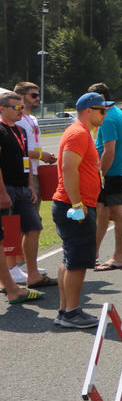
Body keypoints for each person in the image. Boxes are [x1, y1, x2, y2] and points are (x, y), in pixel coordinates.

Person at [50, 92, 111, 328]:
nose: (104, 114)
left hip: (75, 204)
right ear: (88, 111)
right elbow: (68, 168)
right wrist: (77, 204)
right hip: (74, 205)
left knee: (70, 258)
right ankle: (72, 312)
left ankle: (66, 310)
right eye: (101, 110)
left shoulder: (82, 132)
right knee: (77, 262)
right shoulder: (78, 133)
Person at [0, 89, 47, 305]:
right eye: (15, 107)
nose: (20, 110)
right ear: (2, 109)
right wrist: (2, 192)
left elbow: (26, 159)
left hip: (23, 187)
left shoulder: (20, 130)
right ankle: (9, 273)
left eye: (21, 107)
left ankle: (32, 273)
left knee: (33, 226)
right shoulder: (0, 130)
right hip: (7, 188)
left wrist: (31, 185)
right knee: (9, 233)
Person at [11, 82, 55, 287]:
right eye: (33, 95)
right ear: (20, 96)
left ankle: (25, 265)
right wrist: (41, 155)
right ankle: (15, 267)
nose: (38, 98)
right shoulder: (16, 119)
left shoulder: (32, 118)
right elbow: (18, 149)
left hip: (33, 172)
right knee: (19, 223)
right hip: (21, 174)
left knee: (31, 221)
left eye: (38, 95)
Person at [89, 82, 122, 271]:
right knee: (103, 212)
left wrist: (100, 174)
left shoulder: (107, 118)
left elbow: (109, 151)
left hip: (110, 173)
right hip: (115, 171)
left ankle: (118, 257)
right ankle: (94, 253)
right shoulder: (116, 112)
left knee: (117, 212)